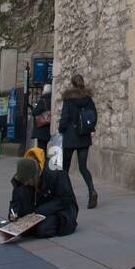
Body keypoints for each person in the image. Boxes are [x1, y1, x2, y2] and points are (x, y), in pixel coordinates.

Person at [58, 74, 98, 209]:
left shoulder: (68, 100)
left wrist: (61, 129)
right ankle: (92, 190)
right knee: (83, 167)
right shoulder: (88, 99)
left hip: (70, 136)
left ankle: (67, 196)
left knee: (65, 169)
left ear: (72, 84)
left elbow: (64, 118)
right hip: (84, 136)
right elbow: (94, 116)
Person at [31, 85, 53, 152]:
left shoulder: (42, 100)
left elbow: (35, 112)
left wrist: (34, 108)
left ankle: (42, 162)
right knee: (44, 148)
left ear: (44, 91)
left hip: (41, 128)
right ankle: (44, 161)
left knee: (41, 149)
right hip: (48, 128)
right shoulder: (52, 100)